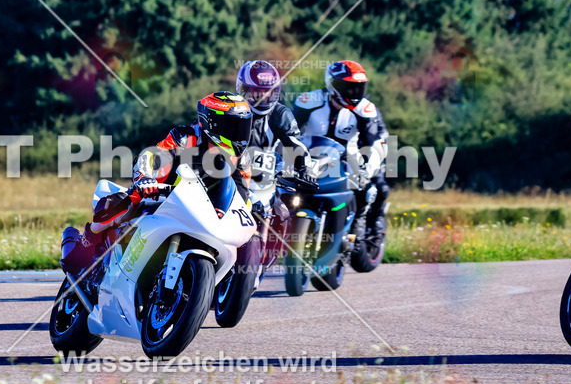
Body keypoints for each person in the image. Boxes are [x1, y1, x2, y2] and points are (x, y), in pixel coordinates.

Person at [60, 92, 254, 279]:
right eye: (232, 126)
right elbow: (153, 155)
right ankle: (83, 248)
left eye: (242, 127)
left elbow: (241, 190)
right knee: (115, 205)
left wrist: (245, 209)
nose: (239, 134)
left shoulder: (239, 158)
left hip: (204, 212)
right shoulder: (186, 137)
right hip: (160, 196)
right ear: (212, 122)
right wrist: (145, 178)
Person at [293, 60, 389, 262]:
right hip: (311, 157)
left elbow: (375, 141)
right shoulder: (308, 101)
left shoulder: (366, 109)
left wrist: (368, 169)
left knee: (375, 188)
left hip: (349, 158)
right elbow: (287, 131)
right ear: (332, 84)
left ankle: (365, 226)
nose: (354, 92)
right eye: (348, 86)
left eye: (359, 87)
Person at [235, 60, 315, 265]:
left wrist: (304, 168)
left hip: (266, 177)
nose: (263, 97)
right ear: (242, 89)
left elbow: (296, 143)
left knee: (283, 211)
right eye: (256, 92)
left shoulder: (281, 114)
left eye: (268, 92)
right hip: (230, 171)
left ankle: (266, 257)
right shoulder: (232, 107)